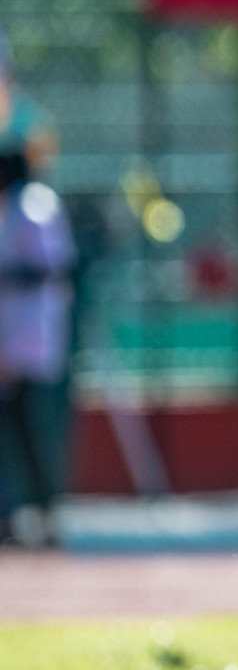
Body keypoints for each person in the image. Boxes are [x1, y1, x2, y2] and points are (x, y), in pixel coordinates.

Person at [0, 151, 73, 544]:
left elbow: (51, 266)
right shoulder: (11, 208)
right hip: (9, 343)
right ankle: (11, 518)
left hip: (32, 343)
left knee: (36, 434)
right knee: (11, 435)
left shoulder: (35, 206)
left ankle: (46, 516)